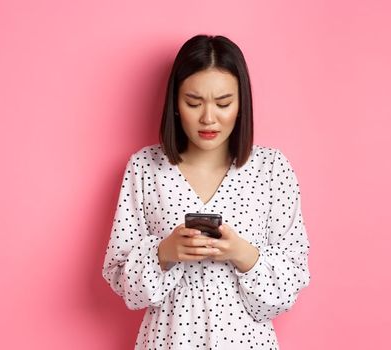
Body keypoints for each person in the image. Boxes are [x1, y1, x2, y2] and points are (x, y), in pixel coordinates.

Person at [102, 34, 311, 349]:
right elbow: (121, 279)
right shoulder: (145, 168)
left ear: (241, 104)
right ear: (175, 102)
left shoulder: (272, 169)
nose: (208, 118)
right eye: (193, 102)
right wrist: (164, 252)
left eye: (223, 103)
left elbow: (290, 285)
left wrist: (242, 253)